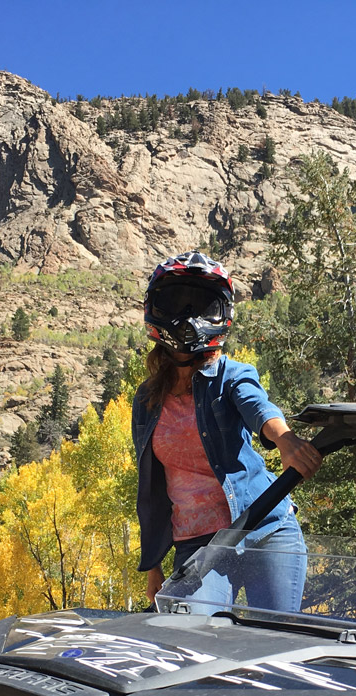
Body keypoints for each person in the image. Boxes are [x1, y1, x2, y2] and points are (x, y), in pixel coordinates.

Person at [131, 251, 322, 611]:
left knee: (276, 644)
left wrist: (285, 440)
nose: (188, 316)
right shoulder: (146, 401)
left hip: (263, 526)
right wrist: (152, 566)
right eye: (176, 303)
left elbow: (257, 406)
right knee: (192, 641)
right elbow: (151, 490)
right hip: (197, 545)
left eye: (202, 306)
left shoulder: (231, 375)